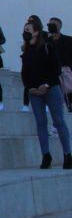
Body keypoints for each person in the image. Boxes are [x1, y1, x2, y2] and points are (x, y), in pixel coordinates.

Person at [21, 16, 72, 169]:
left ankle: (67, 155)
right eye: (24, 30)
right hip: (34, 91)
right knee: (41, 123)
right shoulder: (26, 49)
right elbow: (25, 72)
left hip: (51, 89)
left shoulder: (47, 45)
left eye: (28, 30)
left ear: (36, 31)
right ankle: (46, 155)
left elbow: (55, 68)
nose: (26, 32)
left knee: (59, 121)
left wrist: (47, 85)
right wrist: (30, 87)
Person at [44, 18, 72, 111]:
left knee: (69, 92)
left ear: (59, 26)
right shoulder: (45, 41)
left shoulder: (68, 40)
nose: (51, 26)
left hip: (66, 72)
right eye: (49, 24)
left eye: (54, 24)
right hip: (51, 73)